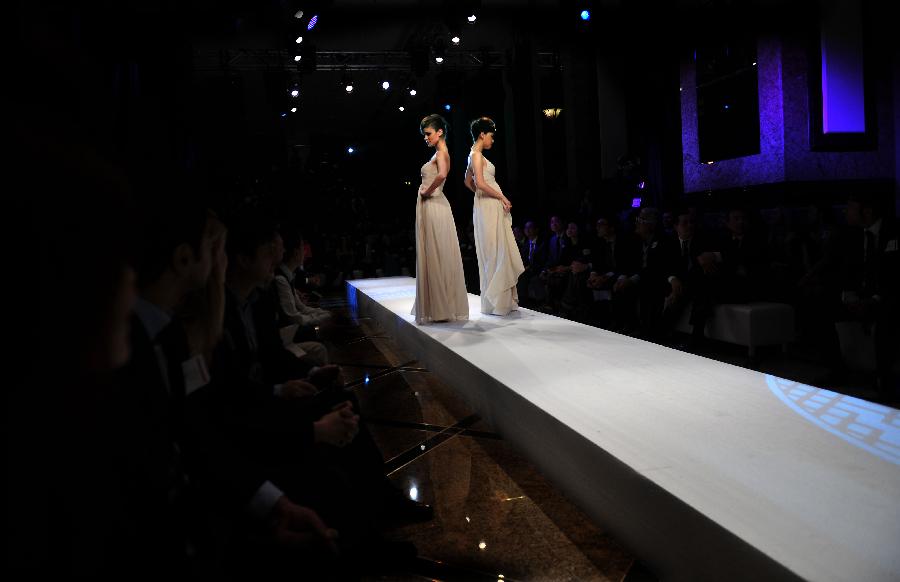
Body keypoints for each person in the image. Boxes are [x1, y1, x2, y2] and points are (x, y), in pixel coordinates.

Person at [411, 114, 469, 324]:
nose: (425, 138)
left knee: (436, 252)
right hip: (433, 205)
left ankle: (441, 306)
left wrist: (427, 191)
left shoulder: (442, 152)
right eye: (424, 134)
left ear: (439, 132)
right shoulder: (438, 152)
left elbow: (443, 174)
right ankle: (438, 306)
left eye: (428, 134)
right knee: (434, 252)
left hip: (435, 204)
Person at [464, 116, 525, 316]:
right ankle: (498, 302)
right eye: (491, 135)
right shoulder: (476, 155)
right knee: (495, 249)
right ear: (482, 134)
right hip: (489, 204)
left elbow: (468, 181)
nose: (492, 139)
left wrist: (482, 197)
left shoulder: (473, 154)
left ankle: (500, 302)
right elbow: (479, 183)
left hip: (487, 203)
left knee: (496, 248)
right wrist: (501, 197)